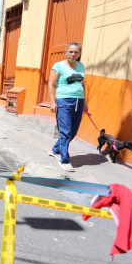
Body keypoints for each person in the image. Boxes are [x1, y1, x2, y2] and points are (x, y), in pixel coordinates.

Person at [47, 42, 88, 172]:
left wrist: (85, 102)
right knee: (65, 131)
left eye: (76, 52)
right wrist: (52, 102)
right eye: (70, 51)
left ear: (79, 54)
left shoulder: (81, 66)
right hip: (64, 100)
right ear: (65, 53)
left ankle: (55, 149)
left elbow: (82, 84)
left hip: (79, 101)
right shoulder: (58, 66)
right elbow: (51, 84)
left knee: (73, 131)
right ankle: (64, 160)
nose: (73, 54)